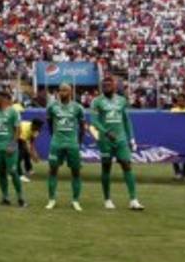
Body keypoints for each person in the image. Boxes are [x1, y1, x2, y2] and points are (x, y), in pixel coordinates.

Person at [90, 77, 144, 211]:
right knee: (106, 167)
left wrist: (131, 138)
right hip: (105, 140)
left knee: (127, 165)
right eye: (104, 85)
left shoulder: (121, 100)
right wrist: (106, 132)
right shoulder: (97, 101)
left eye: (109, 85)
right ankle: (107, 199)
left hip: (121, 139)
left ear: (114, 86)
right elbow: (94, 121)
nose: (106, 87)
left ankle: (133, 200)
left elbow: (126, 120)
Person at [45, 83, 85, 211]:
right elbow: (49, 123)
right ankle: (51, 199)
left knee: (76, 172)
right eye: (60, 90)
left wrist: (78, 143)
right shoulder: (52, 107)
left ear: (70, 91)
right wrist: (55, 136)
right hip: (56, 143)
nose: (62, 93)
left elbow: (83, 127)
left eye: (65, 90)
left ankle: (75, 200)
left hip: (72, 144)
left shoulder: (78, 107)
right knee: (53, 170)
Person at [0, 88, 26, 207]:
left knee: (13, 171)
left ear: (1, 99)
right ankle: (5, 197)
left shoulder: (13, 112)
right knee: (1, 173)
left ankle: (21, 197)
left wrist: (13, 145)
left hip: (10, 148)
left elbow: (18, 130)